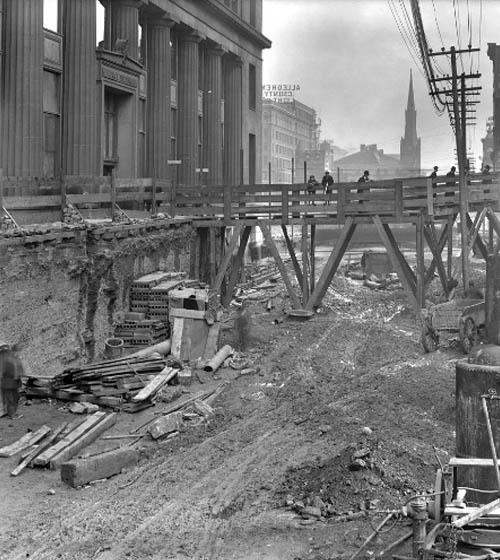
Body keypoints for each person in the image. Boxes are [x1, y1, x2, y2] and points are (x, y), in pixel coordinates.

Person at [0, 343, 24, 419]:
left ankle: (13, 413)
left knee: (15, 398)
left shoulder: (14, 359)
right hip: (7, 383)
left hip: (14, 383)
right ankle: (12, 415)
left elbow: (19, 369)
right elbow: (3, 371)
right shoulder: (6, 360)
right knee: (10, 399)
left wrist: (19, 374)